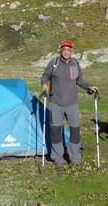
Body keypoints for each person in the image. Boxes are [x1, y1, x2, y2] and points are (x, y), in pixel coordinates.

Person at [40, 39, 98, 169]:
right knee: (55, 132)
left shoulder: (75, 63)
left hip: (72, 103)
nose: (66, 52)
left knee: (75, 131)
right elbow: (45, 76)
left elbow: (79, 80)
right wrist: (44, 84)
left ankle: (75, 158)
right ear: (61, 50)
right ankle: (58, 158)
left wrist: (89, 86)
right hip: (56, 103)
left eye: (69, 50)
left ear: (71, 51)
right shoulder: (54, 63)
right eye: (64, 49)